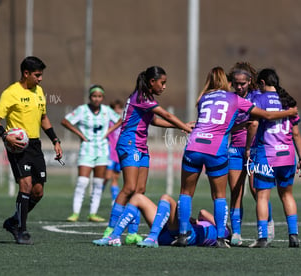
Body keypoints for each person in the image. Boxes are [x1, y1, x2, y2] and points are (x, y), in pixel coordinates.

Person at [174, 67, 298, 248]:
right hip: (219, 150)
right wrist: (289, 113)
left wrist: (240, 125)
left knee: (186, 192)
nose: (239, 86)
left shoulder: (202, 98)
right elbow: (267, 115)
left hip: (194, 145)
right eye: (236, 83)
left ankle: (183, 235)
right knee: (221, 195)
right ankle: (221, 238)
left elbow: (218, 123)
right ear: (228, 82)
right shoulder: (236, 99)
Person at [96, 66, 192, 245]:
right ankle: (110, 230)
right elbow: (165, 114)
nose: (164, 87)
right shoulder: (141, 97)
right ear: (151, 82)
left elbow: (154, 120)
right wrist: (185, 128)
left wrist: (180, 126)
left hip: (141, 146)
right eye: (162, 83)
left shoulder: (146, 98)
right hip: (129, 144)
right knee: (129, 188)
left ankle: (132, 232)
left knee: (140, 191)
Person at [0, 56, 63, 245]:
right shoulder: (10, 93)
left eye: (41, 75)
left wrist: (55, 139)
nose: (40, 79)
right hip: (17, 147)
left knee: (38, 192)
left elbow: (44, 118)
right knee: (26, 186)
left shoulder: (39, 91)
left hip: (35, 145)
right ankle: (21, 230)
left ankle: (13, 221)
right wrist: (5, 136)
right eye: (37, 75)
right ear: (26, 73)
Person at [246, 68, 301, 248]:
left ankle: (263, 237)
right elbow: (296, 134)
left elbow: (254, 124)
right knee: (287, 195)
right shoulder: (287, 101)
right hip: (287, 156)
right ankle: (293, 235)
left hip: (267, 155)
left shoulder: (258, 98)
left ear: (263, 83)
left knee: (263, 197)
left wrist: (248, 148)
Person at [227, 62, 275, 246]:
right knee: (235, 191)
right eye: (236, 83)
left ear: (250, 82)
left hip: (256, 150)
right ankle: (236, 234)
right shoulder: (230, 99)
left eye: (243, 84)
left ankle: (267, 226)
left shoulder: (258, 97)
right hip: (235, 150)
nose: (239, 87)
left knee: (258, 191)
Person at [62, 85, 122, 222]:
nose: (97, 99)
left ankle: (92, 213)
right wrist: (79, 134)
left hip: (102, 150)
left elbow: (120, 120)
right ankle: (75, 213)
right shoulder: (82, 110)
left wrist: (108, 132)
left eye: (99, 96)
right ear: (90, 97)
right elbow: (65, 121)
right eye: (94, 96)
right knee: (82, 181)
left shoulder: (107, 111)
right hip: (87, 149)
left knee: (98, 183)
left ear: (103, 98)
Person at [92, 193, 231, 247]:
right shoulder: (216, 232)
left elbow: (203, 212)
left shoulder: (223, 230)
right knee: (137, 198)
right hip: (169, 234)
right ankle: (114, 237)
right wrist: (194, 220)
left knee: (166, 198)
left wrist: (196, 220)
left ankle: (152, 238)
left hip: (186, 235)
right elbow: (202, 216)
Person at [104, 99, 124, 206]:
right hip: (109, 153)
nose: (118, 111)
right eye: (116, 109)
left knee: (115, 178)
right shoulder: (109, 122)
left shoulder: (123, 123)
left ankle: (114, 200)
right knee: (107, 177)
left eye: (120, 108)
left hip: (119, 154)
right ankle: (98, 194)